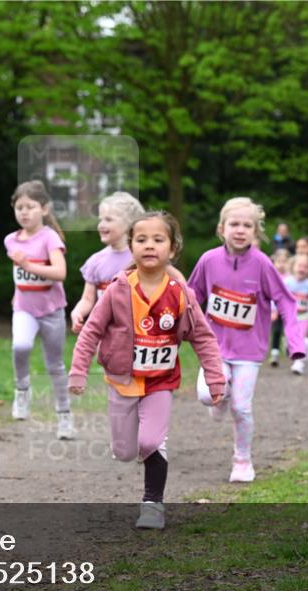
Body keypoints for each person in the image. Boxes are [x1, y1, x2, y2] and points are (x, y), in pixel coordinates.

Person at [69, 211, 225, 529]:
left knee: (152, 441)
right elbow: (91, 332)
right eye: (141, 240)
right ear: (131, 247)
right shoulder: (117, 289)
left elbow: (204, 338)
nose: (149, 245)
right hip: (122, 380)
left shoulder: (181, 294)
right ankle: (134, 449)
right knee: (125, 451)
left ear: (173, 248)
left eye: (158, 239)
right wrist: (78, 371)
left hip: (161, 381)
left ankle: (153, 504)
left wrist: (215, 378)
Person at [187, 197, 305, 482]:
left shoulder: (263, 264)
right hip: (214, 347)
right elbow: (191, 297)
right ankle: (219, 401)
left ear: (256, 232)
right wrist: (175, 330)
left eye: (247, 225)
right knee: (207, 395)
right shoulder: (208, 260)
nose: (240, 230)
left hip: (249, 352)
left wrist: (295, 342)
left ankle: (242, 461)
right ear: (221, 228)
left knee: (242, 407)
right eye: (234, 224)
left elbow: (286, 302)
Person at [5, 180, 74, 439]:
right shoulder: (10, 240)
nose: (24, 212)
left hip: (52, 311)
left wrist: (29, 265)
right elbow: (18, 275)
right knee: (20, 346)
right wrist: (16, 294)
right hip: (23, 309)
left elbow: (60, 273)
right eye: (19, 207)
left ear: (44, 209)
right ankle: (22, 389)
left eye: (30, 207)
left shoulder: (49, 238)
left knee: (54, 365)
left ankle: (64, 415)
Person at [70, 192, 144, 333]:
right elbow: (87, 298)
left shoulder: (141, 257)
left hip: (138, 330)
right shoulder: (96, 261)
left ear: (129, 224)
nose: (101, 225)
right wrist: (78, 312)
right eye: (100, 219)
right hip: (105, 331)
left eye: (108, 219)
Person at [268, 249, 291, 366]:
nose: (282, 264)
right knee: (276, 331)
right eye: (279, 261)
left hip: (290, 310)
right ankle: (275, 354)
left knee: (289, 331)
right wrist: (273, 310)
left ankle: (288, 346)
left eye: (285, 261)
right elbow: (271, 295)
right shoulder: (272, 277)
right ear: (274, 263)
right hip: (276, 309)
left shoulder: (292, 277)